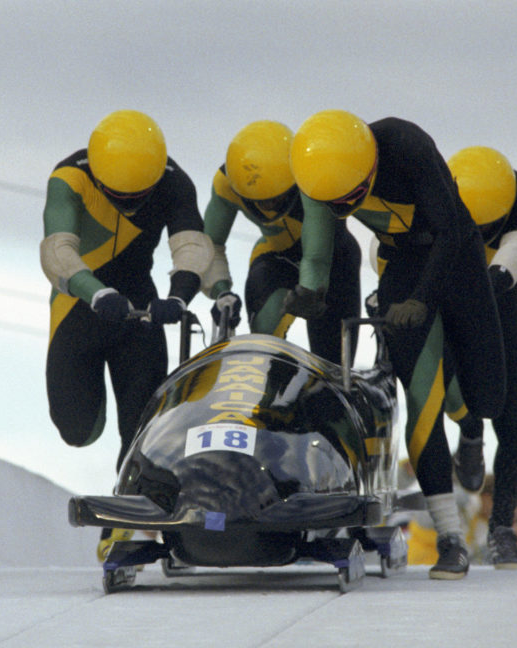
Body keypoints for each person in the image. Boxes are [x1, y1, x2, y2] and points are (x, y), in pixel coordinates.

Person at [287, 110, 507, 580]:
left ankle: (471, 429)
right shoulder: (315, 172)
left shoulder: (406, 146)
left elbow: (448, 229)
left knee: (488, 393)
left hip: (456, 253)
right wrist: (311, 289)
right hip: (402, 261)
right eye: (334, 200)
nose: (343, 205)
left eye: (352, 196)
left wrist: (422, 299)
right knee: (421, 394)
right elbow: (318, 243)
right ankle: (451, 536)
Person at [40, 110, 216, 560]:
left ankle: (125, 519)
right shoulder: (68, 177)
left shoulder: (176, 182)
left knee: (140, 426)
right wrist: (95, 293)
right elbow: (57, 251)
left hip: (140, 310)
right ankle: (114, 474)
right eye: (120, 196)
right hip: (79, 308)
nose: (131, 203)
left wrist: (178, 298)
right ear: (99, 179)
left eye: (141, 196)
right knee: (76, 429)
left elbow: (193, 246)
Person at [370, 146, 517, 569]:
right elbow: (387, 246)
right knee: (431, 390)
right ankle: (466, 431)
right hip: (441, 284)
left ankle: (502, 527)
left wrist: (484, 285)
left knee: (513, 413)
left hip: (500, 295)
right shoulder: (432, 186)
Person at [201, 120, 360, 362]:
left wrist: (308, 291)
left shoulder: (311, 174)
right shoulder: (225, 183)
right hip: (275, 256)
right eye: (257, 201)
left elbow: (316, 257)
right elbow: (209, 245)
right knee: (264, 338)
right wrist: (222, 292)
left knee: (332, 363)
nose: (267, 206)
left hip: (334, 261)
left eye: (276, 198)